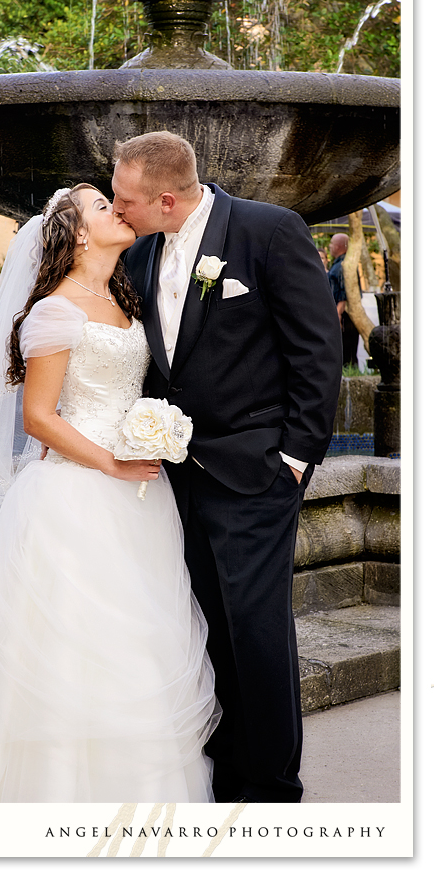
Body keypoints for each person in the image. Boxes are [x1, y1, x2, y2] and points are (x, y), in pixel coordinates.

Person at [0, 184, 219, 803]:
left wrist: (150, 437)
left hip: (138, 500)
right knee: (71, 652)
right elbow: (40, 418)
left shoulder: (121, 296)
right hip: (77, 500)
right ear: (78, 234)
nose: (117, 210)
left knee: (135, 649)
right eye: (102, 206)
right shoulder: (54, 309)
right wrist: (114, 460)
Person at [111, 131, 342, 803]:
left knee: (257, 630)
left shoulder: (269, 232)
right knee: (203, 623)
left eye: (126, 199)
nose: (118, 209)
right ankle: (225, 767)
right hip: (176, 479)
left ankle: (271, 784)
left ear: (164, 197)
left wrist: (295, 459)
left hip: (256, 473)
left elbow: (316, 352)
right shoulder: (144, 251)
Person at [327, 232, 360, 367]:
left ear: (339, 246)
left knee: (347, 353)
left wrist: (338, 315)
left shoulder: (344, 265)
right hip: (341, 314)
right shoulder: (340, 263)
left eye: (332, 244)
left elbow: (344, 294)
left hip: (345, 316)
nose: (329, 246)